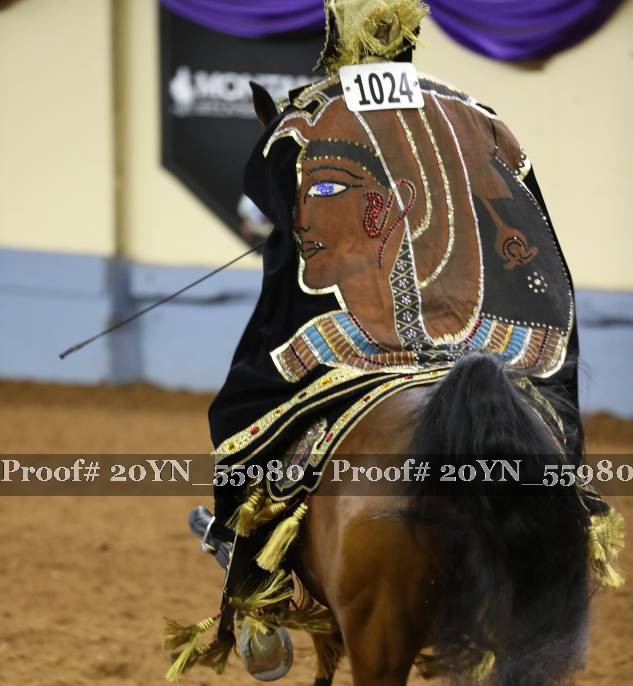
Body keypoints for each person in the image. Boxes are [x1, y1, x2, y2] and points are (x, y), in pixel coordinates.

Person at [192, 0, 586, 560]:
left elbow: (268, 182)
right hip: (490, 342)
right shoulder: (476, 112)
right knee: (552, 415)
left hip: (367, 349)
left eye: (327, 192)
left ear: (338, 40)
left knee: (242, 403)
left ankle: (245, 548)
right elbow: (529, 212)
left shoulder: (313, 111)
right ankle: (579, 510)